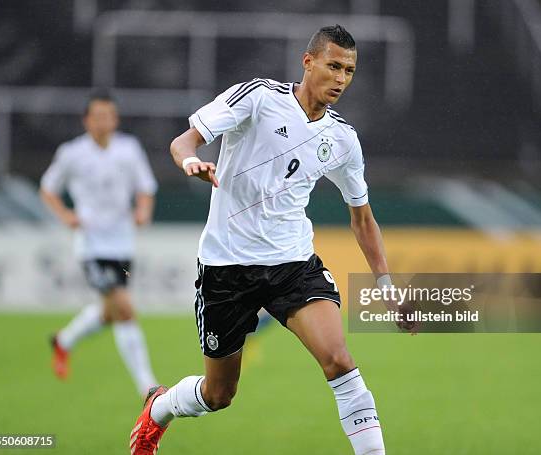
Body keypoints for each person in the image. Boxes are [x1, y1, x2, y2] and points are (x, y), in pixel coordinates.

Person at [131, 25, 398, 454]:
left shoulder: (343, 139)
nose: (341, 79)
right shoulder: (258, 98)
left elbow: (362, 218)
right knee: (219, 395)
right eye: (333, 66)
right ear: (308, 62)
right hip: (226, 267)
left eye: (349, 70)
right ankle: (160, 407)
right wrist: (191, 161)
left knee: (340, 361)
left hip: (293, 264)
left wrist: (386, 284)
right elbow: (183, 141)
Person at [41, 90, 159, 397]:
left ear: (115, 119)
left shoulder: (129, 149)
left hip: (122, 242)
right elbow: (48, 188)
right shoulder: (72, 152)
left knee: (109, 312)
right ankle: (147, 387)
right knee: (124, 308)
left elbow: (145, 186)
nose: (103, 122)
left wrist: (143, 210)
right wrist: (65, 215)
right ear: (86, 120)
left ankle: (63, 341)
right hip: (91, 244)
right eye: (97, 116)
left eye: (108, 116)